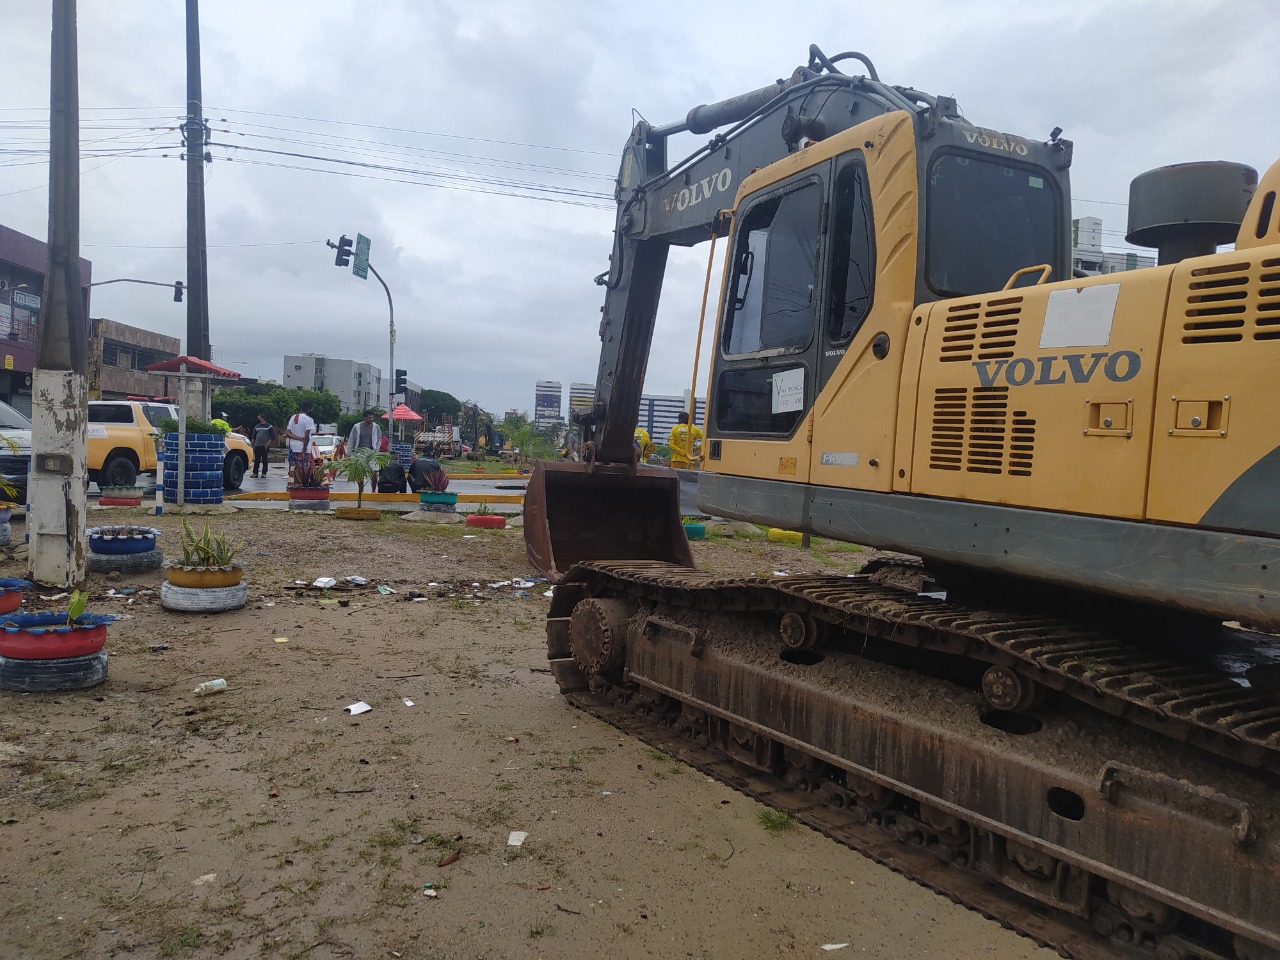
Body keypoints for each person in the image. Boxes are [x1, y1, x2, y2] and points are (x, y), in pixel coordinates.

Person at [283, 401, 316, 482]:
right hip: (304, 448)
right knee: (304, 469)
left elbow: (287, 432)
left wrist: (298, 438)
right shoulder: (309, 419)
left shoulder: (293, 417)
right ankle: (302, 486)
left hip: (293, 447)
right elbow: (307, 437)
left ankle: (295, 484)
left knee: (295, 468)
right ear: (308, 409)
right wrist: (304, 450)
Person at [250, 413, 277, 478]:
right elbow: (254, 436)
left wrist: (267, 443)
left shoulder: (269, 426)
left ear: (263, 418)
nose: (258, 419)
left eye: (259, 418)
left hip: (264, 445)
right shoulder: (257, 426)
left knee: (264, 459)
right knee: (257, 459)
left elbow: (272, 436)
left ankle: (264, 473)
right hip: (257, 445)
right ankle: (255, 473)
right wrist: (252, 444)